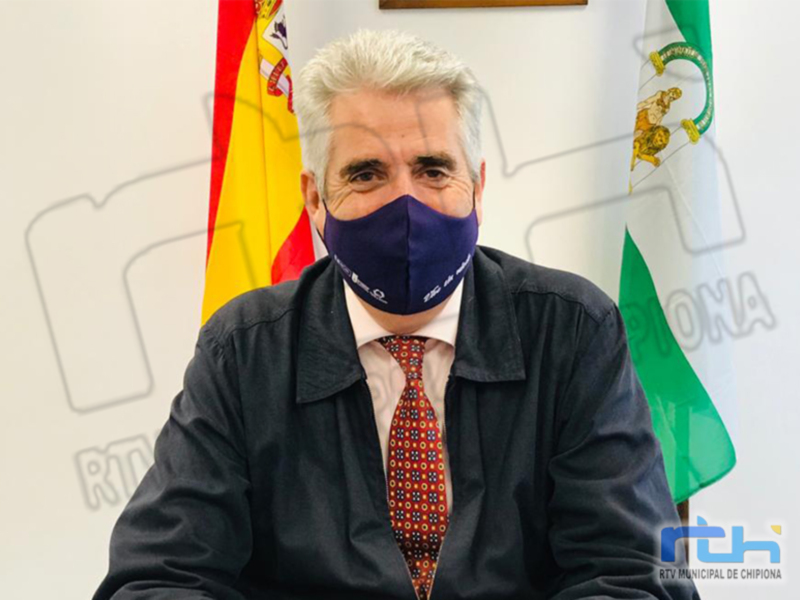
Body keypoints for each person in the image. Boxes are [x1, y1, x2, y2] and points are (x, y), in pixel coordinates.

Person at [93, 29, 699, 600]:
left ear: (477, 187)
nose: (405, 203)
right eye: (366, 174)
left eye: (433, 169)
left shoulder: (572, 331)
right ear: (315, 198)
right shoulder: (243, 352)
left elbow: (634, 571)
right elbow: (159, 576)